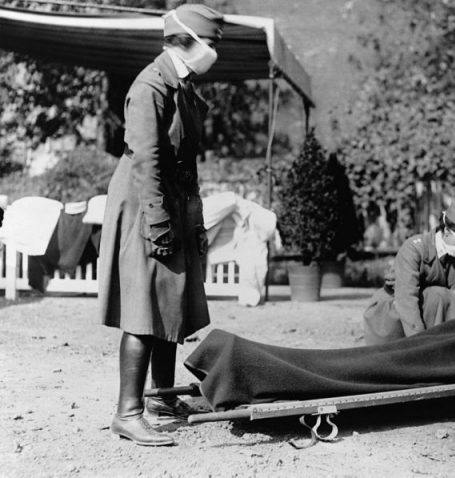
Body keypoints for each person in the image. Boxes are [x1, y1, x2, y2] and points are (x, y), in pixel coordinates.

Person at [98, 4, 224, 446]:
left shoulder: (183, 86)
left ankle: (161, 397)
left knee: (169, 302)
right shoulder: (151, 85)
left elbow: (186, 159)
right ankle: (127, 412)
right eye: (211, 42)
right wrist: (158, 223)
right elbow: (146, 161)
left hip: (172, 200)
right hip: (144, 202)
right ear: (184, 40)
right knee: (144, 307)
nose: (214, 52)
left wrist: (194, 217)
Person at [363, 197, 455, 345]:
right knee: (438, 295)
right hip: (390, 315)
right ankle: (426, 347)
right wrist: (420, 344)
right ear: (448, 231)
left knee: (443, 297)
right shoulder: (414, 248)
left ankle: (434, 345)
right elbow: (406, 300)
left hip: (420, 313)